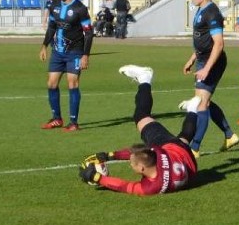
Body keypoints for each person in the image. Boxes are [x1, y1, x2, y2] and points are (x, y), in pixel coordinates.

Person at [78, 65, 198, 196]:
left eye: (132, 164)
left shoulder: (151, 186)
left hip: (189, 165)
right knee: (151, 123)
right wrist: (108, 157)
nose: (130, 164)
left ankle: (145, 77)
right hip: (173, 150)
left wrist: (98, 177)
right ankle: (192, 109)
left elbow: (124, 186)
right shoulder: (157, 151)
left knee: (142, 116)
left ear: (142, 168)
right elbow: (139, 153)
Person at [178, 0, 239, 158]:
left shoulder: (212, 13)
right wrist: (192, 58)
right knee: (205, 102)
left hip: (212, 62)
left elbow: (218, 44)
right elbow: (202, 40)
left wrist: (206, 69)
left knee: (200, 103)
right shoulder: (200, 9)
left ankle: (194, 148)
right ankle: (230, 135)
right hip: (203, 60)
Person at [39, 0, 93, 131]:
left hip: (75, 52)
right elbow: (51, 28)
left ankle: (74, 123)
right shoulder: (54, 6)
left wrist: (85, 55)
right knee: (51, 83)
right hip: (57, 52)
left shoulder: (80, 9)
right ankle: (57, 119)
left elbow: (89, 33)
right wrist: (44, 46)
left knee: (72, 84)